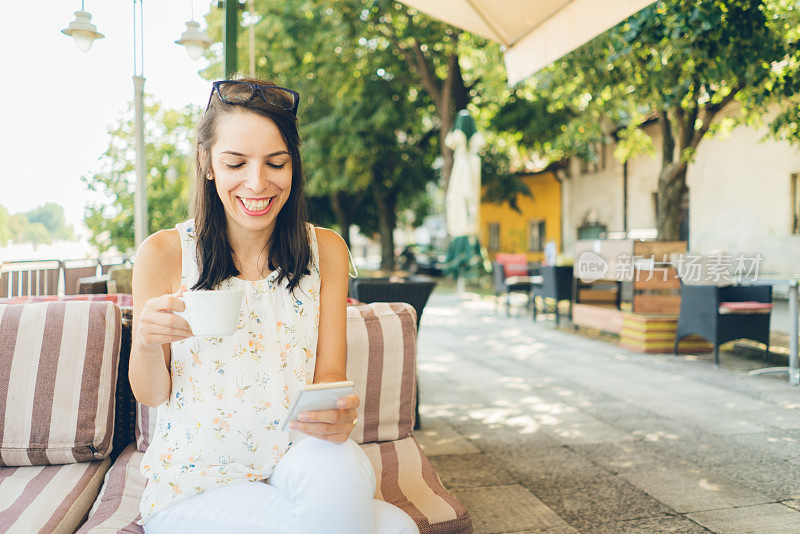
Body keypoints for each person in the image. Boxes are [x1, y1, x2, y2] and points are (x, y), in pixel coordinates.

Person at [130, 76, 419, 534]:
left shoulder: (326, 250)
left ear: (294, 166)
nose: (257, 183)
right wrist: (145, 342)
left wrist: (339, 412)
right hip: (196, 485)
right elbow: (151, 395)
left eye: (276, 163)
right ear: (208, 163)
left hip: (296, 461)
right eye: (236, 163)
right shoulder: (164, 253)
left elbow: (329, 379)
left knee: (370, 500)